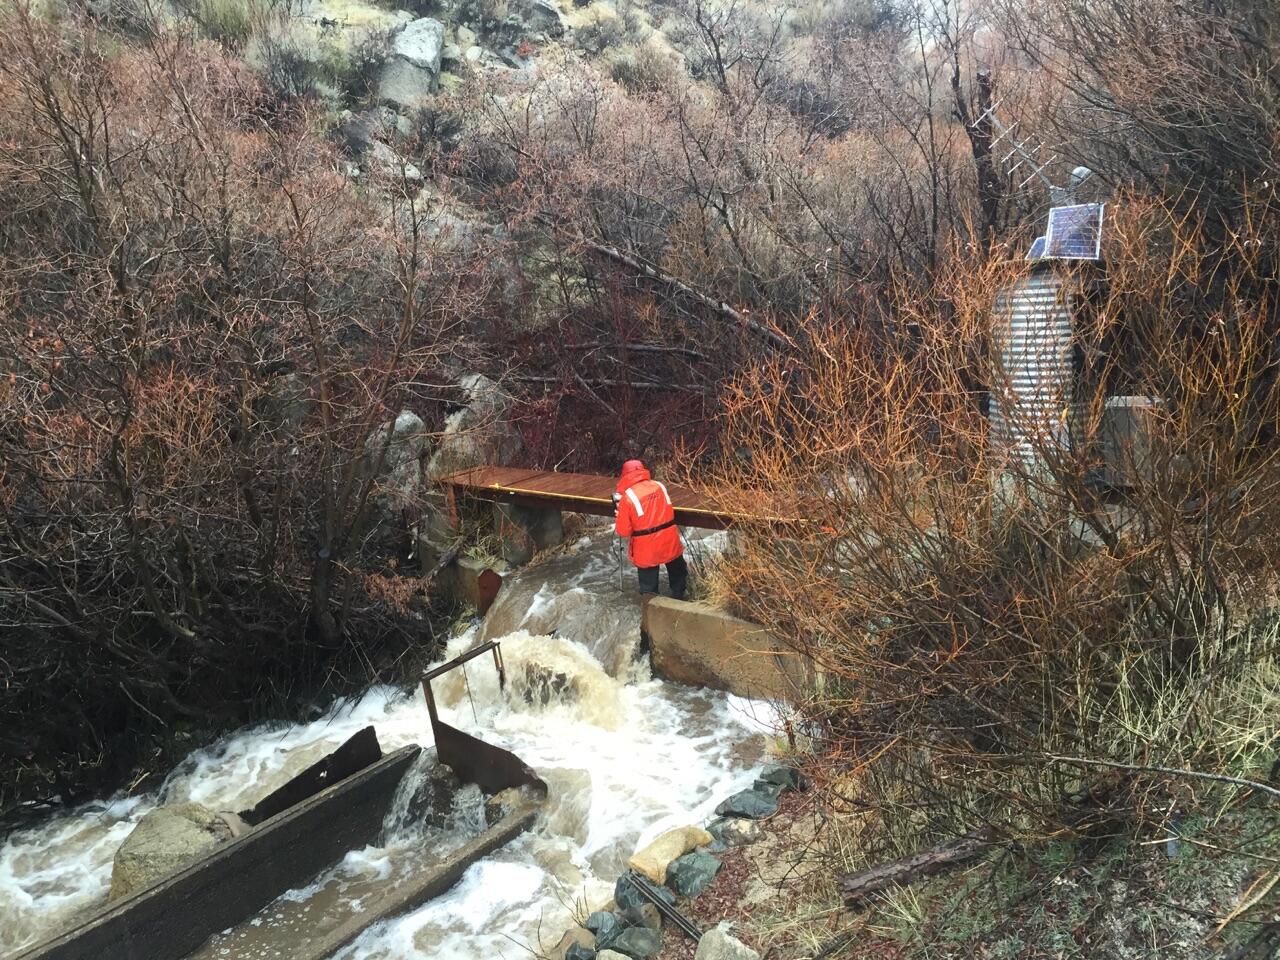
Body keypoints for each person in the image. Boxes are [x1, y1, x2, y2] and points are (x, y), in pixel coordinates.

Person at [613, 459, 687, 600]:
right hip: (669, 539)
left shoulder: (627, 498)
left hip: (647, 547)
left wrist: (619, 516)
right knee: (678, 575)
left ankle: (652, 610)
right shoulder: (660, 486)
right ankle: (680, 599)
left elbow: (623, 531)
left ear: (624, 475)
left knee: (649, 590)